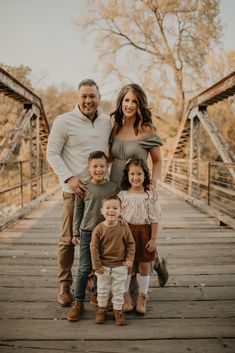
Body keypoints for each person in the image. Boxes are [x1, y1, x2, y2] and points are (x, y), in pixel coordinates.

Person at [46, 79, 112, 306]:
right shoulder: (63, 121)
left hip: (100, 192)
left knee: (99, 238)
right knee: (67, 239)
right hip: (73, 191)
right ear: (78, 97)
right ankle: (65, 284)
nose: (88, 100)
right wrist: (69, 178)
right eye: (84, 96)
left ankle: (94, 280)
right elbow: (52, 153)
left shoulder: (108, 122)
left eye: (92, 96)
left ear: (99, 97)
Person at [108, 83, 168, 288]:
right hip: (115, 188)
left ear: (140, 104)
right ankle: (128, 274)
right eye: (126, 100)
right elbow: (108, 158)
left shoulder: (146, 129)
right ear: (120, 102)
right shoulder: (114, 127)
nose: (130, 104)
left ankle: (155, 264)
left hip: (137, 188)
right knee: (124, 231)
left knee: (141, 230)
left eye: (134, 101)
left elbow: (158, 161)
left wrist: (153, 183)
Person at [66, 151, 119, 321]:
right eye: (95, 166)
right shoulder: (84, 187)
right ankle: (79, 302)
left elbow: (116, 209)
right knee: (84, 268)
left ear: (107, 167)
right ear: (89, 168)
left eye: (102, 166)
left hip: (106, 233)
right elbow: (78, 211)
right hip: (87, 233)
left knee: (101, 268)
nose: (99, 169)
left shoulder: (113, 187)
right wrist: (75, 232)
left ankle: (98, 295)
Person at [118, 157, 161, 315]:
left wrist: (153, 239)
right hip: (127, 234)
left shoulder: (150, 196)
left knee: (143, 265)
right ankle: (125, 295)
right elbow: (118, 218)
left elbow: (155, 218)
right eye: (132, 174)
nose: (135, 178)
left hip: (144, 233)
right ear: (127, 176)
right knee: (127, 265)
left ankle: (143, 295)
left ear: (145, 176)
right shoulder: (122, 195)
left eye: (139, 174)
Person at [90, 195, 135, 326]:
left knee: (118, 290)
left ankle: (118, 311)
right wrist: (97, 265)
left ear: (120, 211)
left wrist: (129, 260)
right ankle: (102, 309)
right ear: (102, 211)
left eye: (115, 208)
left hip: (120, 266)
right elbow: (94, 248)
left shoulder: (123, 227)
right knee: (102, 290)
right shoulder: (98, 229)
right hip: (102, 267)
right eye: (108, 208)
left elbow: (131, 244)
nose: (111, 210)